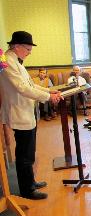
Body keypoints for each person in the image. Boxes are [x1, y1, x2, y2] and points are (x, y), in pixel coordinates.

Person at [0, 31, 62, 200]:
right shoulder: (7, 61)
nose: (30, 52)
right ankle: (27, 190)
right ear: (17, 46)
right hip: (19, 112)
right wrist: (49, 97)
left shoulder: (16, 61)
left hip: (26, 111)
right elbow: (22, 88)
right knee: (24, 154)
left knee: (29, 151)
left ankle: (31, 182)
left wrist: (49, 90)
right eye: (27, 48)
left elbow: (31, 85)